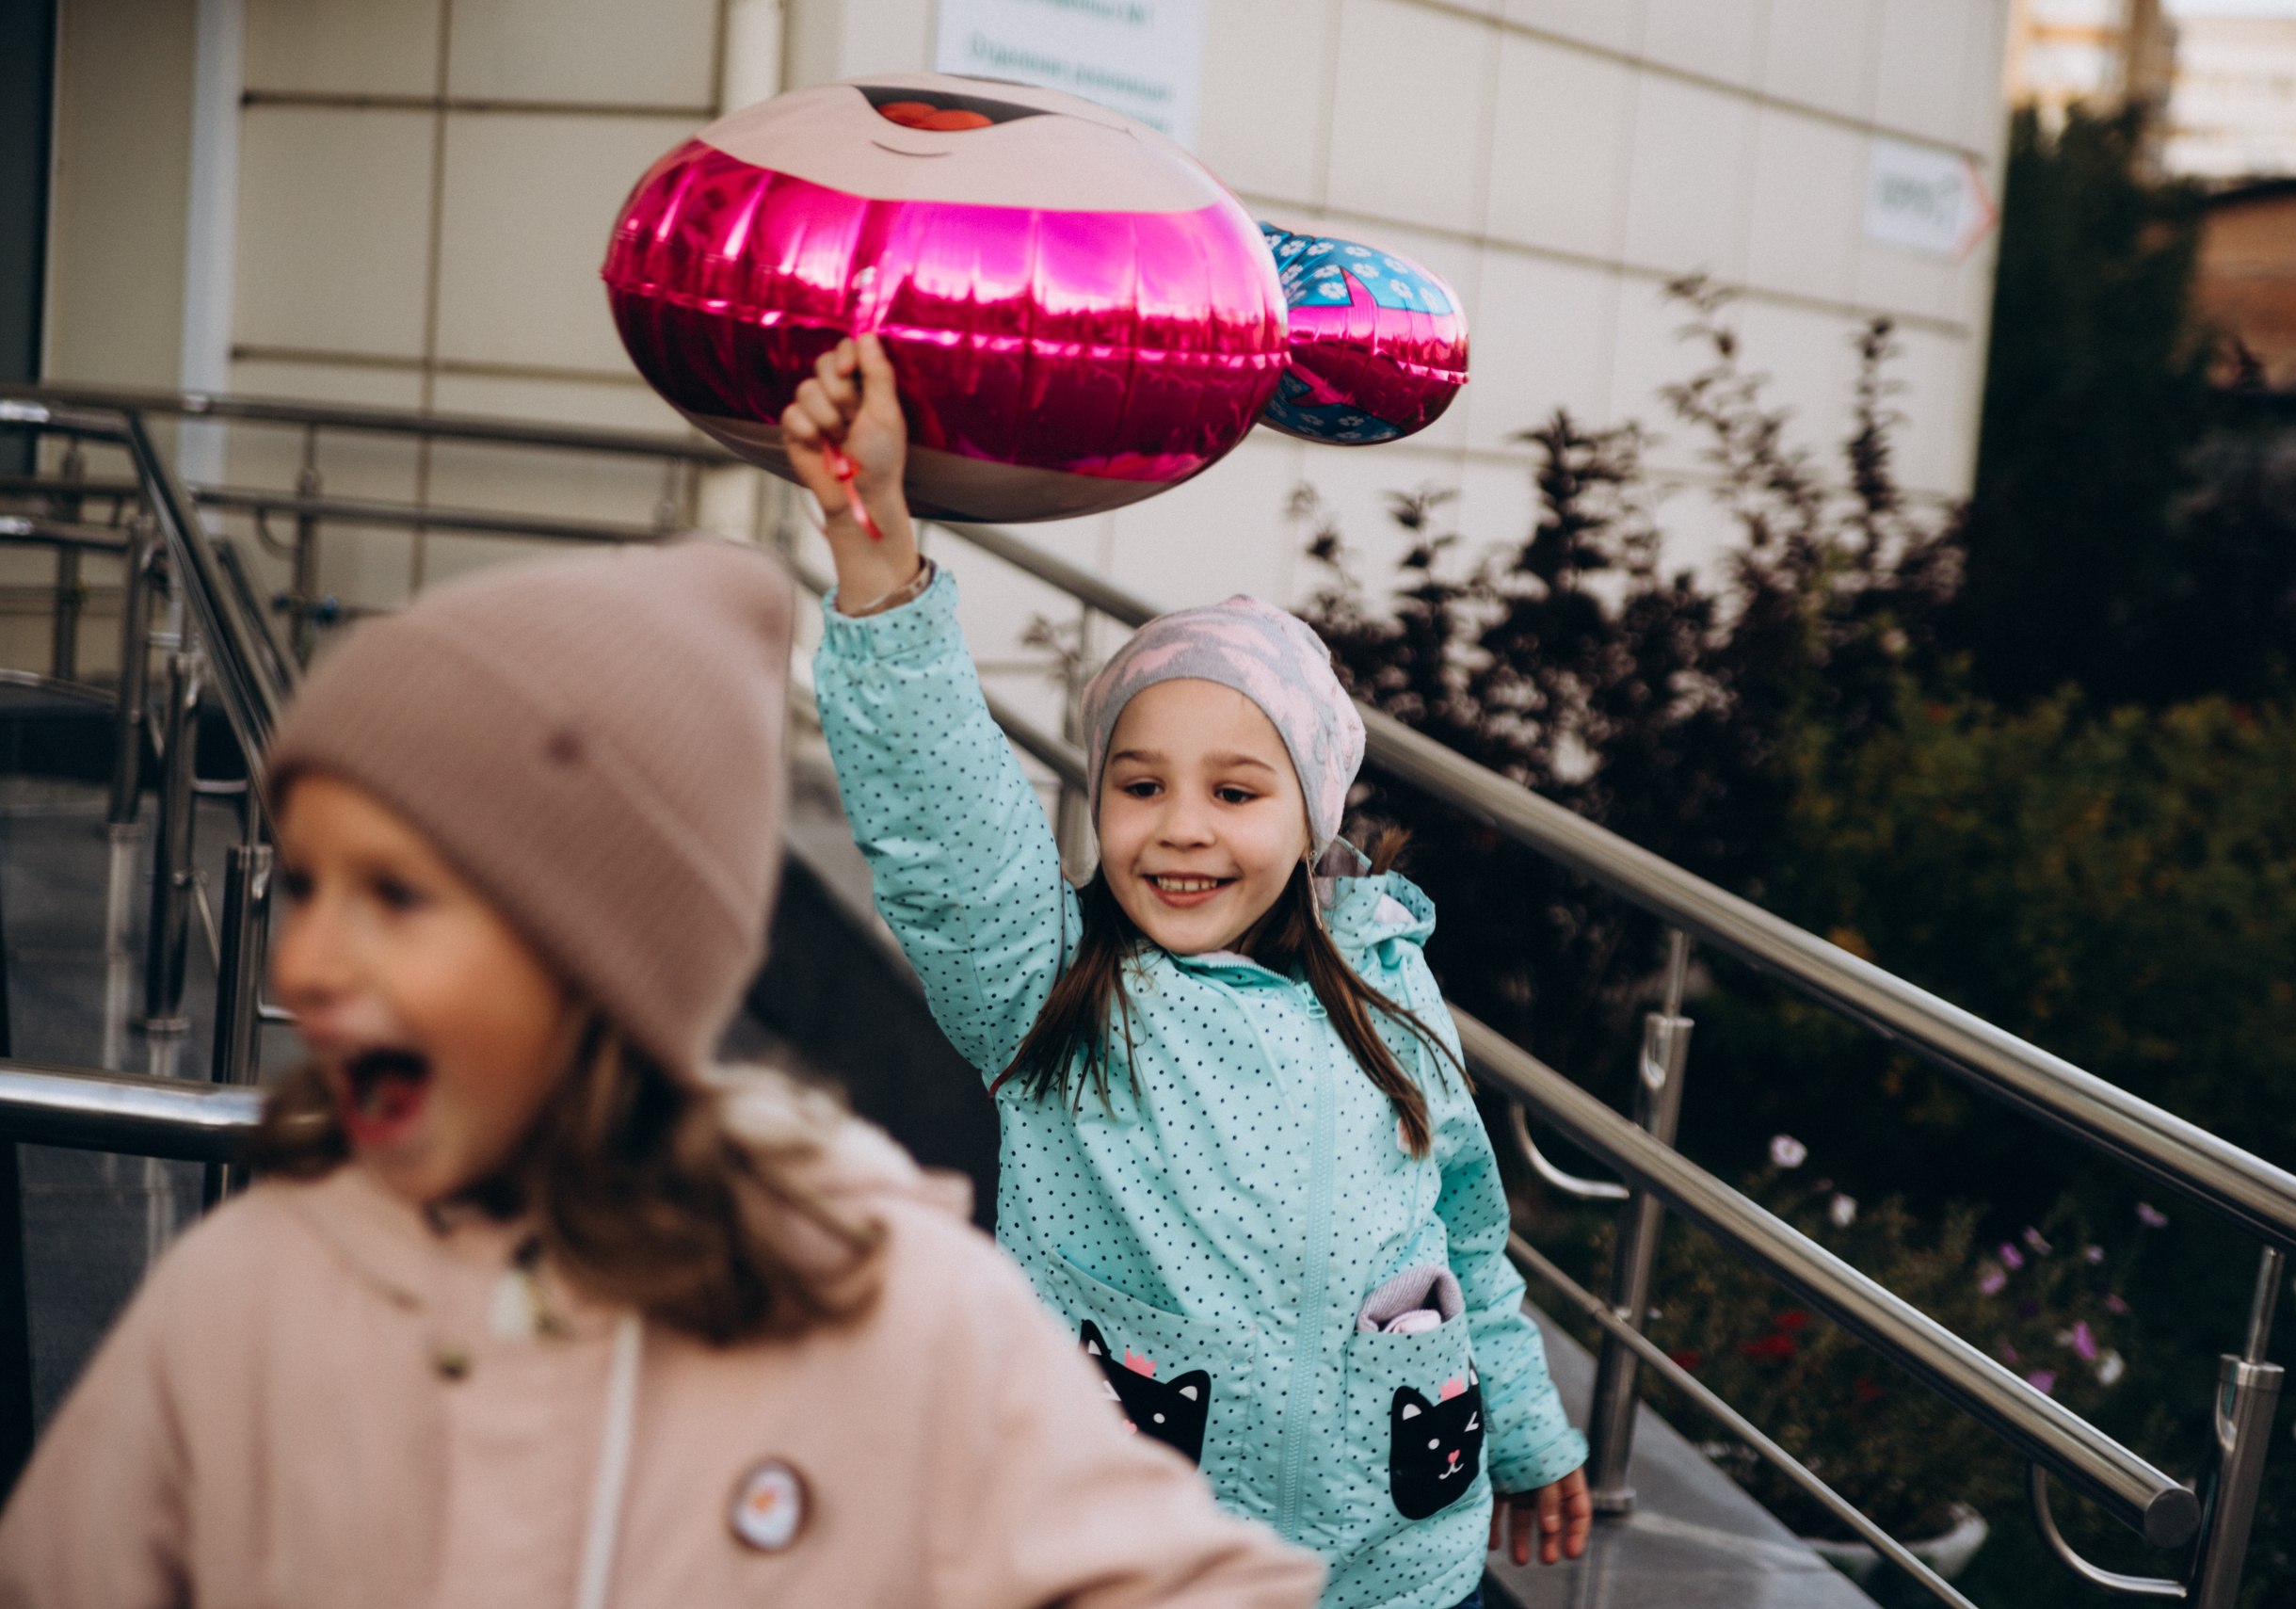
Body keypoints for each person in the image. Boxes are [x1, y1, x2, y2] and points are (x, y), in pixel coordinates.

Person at [0, 540, 1323, 1609]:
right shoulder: (248, 1299)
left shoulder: (872, 1299)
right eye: (307, 882)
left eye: (397, 895)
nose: (309, 958)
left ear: (601, 952)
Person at [788, 336, 1592, 1609]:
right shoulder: (1050, 990)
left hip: (1400, 1566)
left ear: (1313, 814)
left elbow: (1466, 1243)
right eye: (1140, 783)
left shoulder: (1390, 984)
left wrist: (1534, 1435)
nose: (1181, 827)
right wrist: (882, 562)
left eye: (1236, 790)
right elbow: (944, 831)